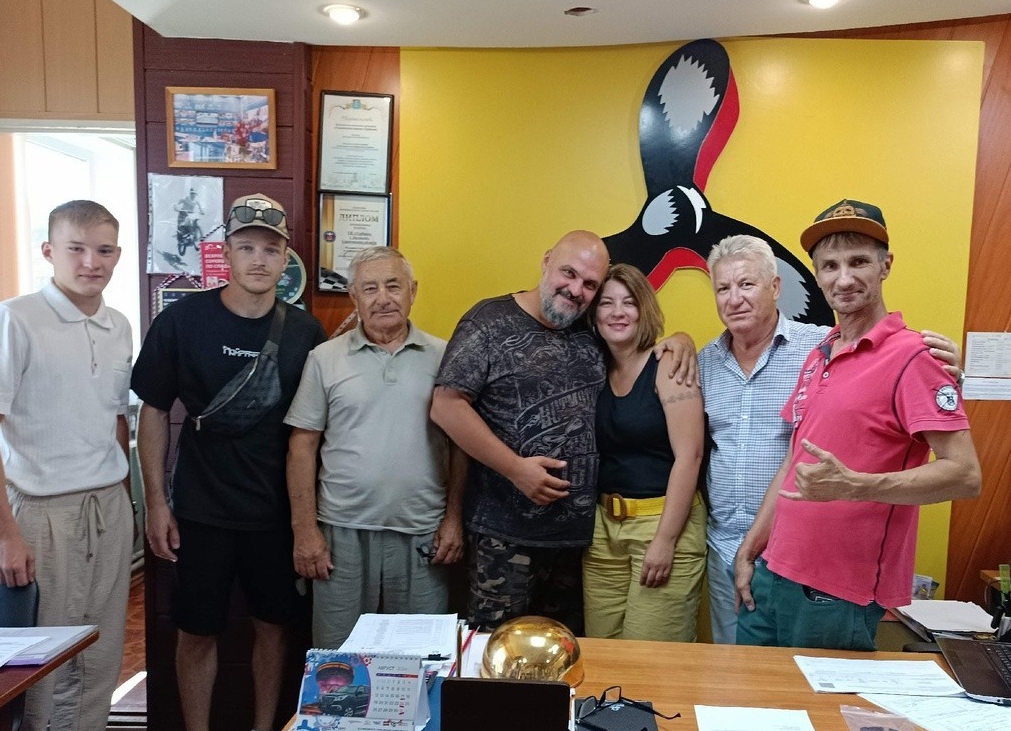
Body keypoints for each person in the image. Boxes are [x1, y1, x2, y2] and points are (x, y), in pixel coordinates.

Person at [0, 199, 144, 731]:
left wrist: (123, 497)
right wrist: (2, 532)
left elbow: (115, 421)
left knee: (97, 663)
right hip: (39, 510)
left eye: (105, 250)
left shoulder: (119, 325)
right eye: (77, 248)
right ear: (48, 251)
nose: (92, 262)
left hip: (106, 505)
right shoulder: (12, 320)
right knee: (39, 675)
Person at [133, 193, 327, 731]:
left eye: (271, 248)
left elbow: (315, 431)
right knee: (196, 631)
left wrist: (308, 520)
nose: (259, 259)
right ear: (225, 253)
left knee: (274, 627)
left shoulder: (305, 332)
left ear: (286, 257)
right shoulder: (181, 322)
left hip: (276, 514)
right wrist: (155, 503)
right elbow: (154, 412)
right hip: (200, 508)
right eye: (246, 246)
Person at [733, 199, 981, 650]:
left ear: (885, 266)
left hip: (834, 592)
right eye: (830, 266)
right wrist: (751, 549)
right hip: (771, 574)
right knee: (750, 694)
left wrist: (856, 486)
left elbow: (965, 475)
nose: (843, 278)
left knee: (813, 700)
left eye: (858, 262)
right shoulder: (820, 352)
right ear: (816, 275)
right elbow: (793, 462)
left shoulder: (916, 357)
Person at [430, 230, 695, 635]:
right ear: (546, 261)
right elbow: (446, 406)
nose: (575, 290)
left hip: (579, 543)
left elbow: (636, 342)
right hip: (504, 537)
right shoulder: (488, 322)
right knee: (498, 652)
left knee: (570, 655)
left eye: (590, 284)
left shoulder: (588, 329)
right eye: (568, 273)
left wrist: (681, 340)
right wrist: (516, 468)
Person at [286, 245, 467, 648]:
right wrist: (305, 531)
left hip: (423, 533)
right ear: (353, 296)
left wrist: (454, 519)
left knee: (421, 657)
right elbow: (302, 447)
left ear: (413, 291)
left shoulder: (445, 357)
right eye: (369, 288)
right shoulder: (324, 358)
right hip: (341, 534)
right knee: (338, 659)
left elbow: (460, 446)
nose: (383, 298)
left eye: (393, 286)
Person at [582, 264, 706, 641]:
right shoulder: (593, 369)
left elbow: (691, 456)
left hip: (663, 523)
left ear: (644, 309)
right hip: (603, 530)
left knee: (650, 658)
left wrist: (665, 541)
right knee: (603, 651)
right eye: (607, 303)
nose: (617, 312)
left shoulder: (667, 364)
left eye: (629, 302)